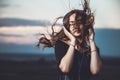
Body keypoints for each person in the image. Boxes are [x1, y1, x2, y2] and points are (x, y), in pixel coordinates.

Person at [37, 0, 102, 80]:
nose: (75, 26)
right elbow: (65, 69)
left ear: (85, 25)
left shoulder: (93, 49)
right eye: (72, 23)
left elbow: (95, 71)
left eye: (79, 22)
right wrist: (73, 42)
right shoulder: (61, 45)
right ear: (67, 27)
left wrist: (91, 41)